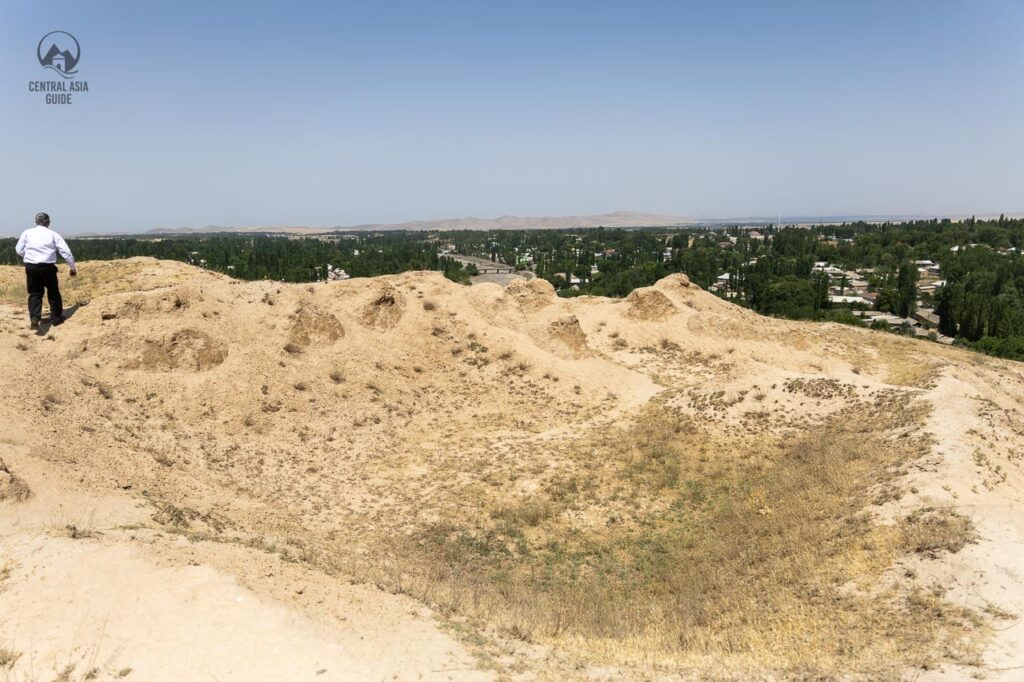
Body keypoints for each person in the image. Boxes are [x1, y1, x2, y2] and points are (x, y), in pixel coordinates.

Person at [14, 212, 78, 330]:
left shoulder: (27, 233)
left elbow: (18, 249)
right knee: (53, 292)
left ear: (36, 222)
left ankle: (34, 318)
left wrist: (28, 256)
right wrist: (72, 267)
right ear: (48, 222)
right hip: (48, 267)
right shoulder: (53, 234)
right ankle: (56, 318)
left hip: (31, 266)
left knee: (35, 293)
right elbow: (66, 252)